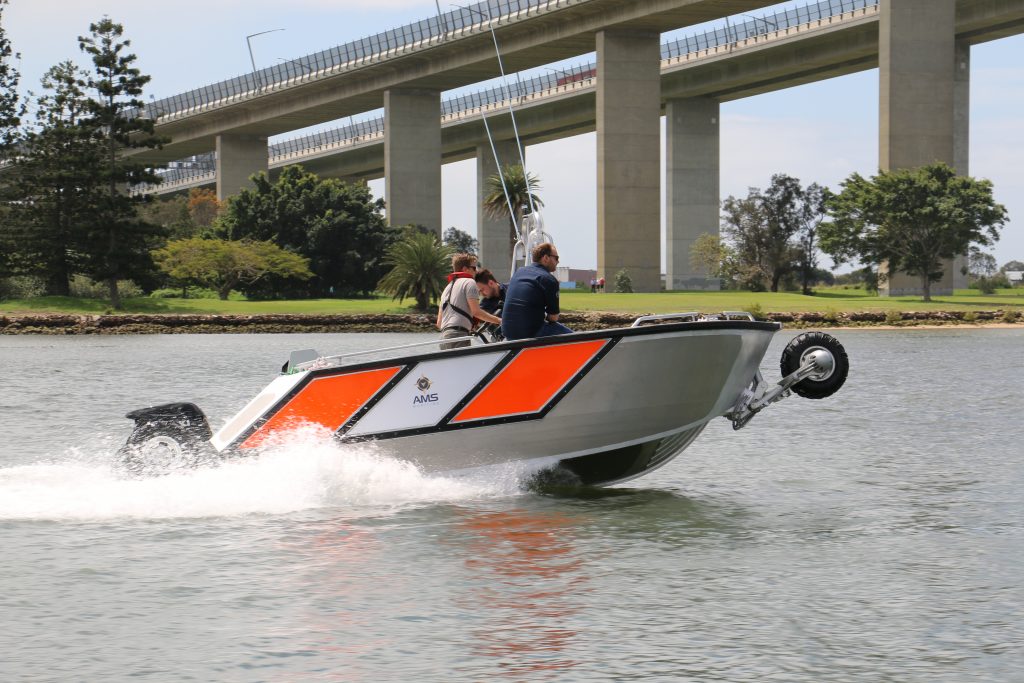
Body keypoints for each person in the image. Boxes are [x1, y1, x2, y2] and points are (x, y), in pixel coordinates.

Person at [500, 242, 573, 341]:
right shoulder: (549, 280)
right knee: (577, 339)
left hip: (507, 332)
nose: (558, 261)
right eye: (556, 258)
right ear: (546, 258)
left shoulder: (519, 272)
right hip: (530, 332)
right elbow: (553, 318)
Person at [436, 253, 501, 349]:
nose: (476, 271)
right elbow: (476, 312)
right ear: (465, 269)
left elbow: (439, 323)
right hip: (458, 336)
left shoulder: (447, 288)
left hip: (444, 338)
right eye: (474, 268)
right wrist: (499, 321)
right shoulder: (469, 282)